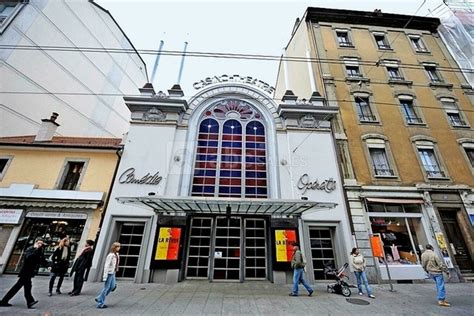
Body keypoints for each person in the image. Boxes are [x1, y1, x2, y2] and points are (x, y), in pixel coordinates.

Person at [0, 238, 48, 309]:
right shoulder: (30, 249)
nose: (40, 244)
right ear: (35, 243)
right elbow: (28, 257)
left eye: (41, 243)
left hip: (30, 272)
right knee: (25, 287)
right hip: (25, 271)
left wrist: (48, 266)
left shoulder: (40, 251)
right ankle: (29, 302)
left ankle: (4, 301)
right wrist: (35, 249)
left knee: (19, 287)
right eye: (39, 243)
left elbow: (42, 261)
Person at [95, 242, 121, 309]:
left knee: (112, 287)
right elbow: (106, 265)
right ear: (114, 247)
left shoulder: (116, 255)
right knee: (106, 288)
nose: (119, 248)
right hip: (109, 273)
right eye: (118, 247)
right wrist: (105, 276)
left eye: (119, 246)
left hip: (113, 272)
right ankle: (100, 303)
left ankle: (99, 297)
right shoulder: (110, 255)